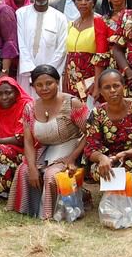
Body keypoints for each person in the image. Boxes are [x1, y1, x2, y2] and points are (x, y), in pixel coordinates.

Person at [8, 65, 87, 218]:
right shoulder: (29, 108)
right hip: (44, 150)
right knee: (24, 170)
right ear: (33, 87)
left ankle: (52, 213)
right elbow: (29, 142)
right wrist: (31, 167)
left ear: (57, 82)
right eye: (39, 85)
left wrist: (71, 159)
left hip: (70, 148)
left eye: (49, 83)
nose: (44, 88)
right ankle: (28, 210)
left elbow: (90, 134)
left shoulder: (72, 103)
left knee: (51, 175)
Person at [84, 69, 132, 208]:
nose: (112, 90)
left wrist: (125, 154)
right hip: (108, 159)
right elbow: (90, 147)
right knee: (97, 169)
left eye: (116, 85)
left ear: (123, 86)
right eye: (107, 87)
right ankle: (114, 192)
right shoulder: (96, 113)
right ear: (100, 91)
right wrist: (102, 158)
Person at [15, 0, 68, 99]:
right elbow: (20, 43)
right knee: (27, 106)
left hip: (51, 74)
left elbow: (62, 49)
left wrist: (48, 73)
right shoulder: (21, 14)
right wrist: (32, 71)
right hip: (27, 73)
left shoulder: (60, 17)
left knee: (51, 108)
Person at [65, 0, 111, 103]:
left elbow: (101, 57)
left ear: (94, 1)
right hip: (72, 80)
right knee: (74, 115)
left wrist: (97, 84)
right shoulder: (71, 25)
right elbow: (68, 57)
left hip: (90, 80)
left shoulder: (100, 22)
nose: (83, 3)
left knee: (89, 114)